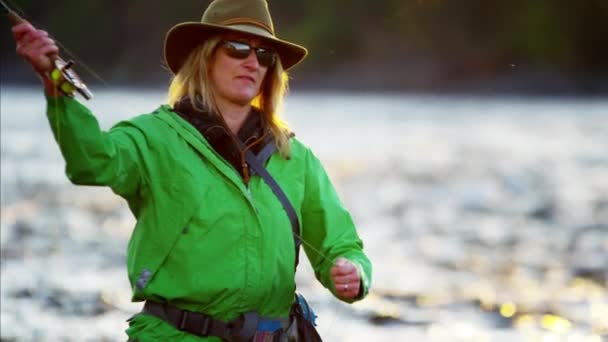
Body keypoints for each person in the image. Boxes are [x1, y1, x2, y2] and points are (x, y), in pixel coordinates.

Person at [11, 0, 372, 340]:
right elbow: (91, 162)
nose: (253, 62)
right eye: (238, 48)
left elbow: (340, 243)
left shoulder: (296, 157)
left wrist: (352, 273)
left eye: (264, 54)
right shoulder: (154, 136)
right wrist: (56, 84)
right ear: (205, 56)